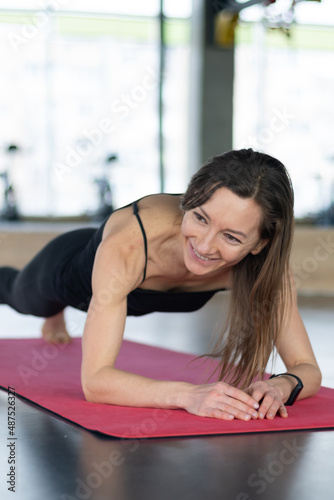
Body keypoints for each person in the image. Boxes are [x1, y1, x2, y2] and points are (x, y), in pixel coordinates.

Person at [0, 149, 321, 421]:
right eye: (200, 218)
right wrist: (189, 395)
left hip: (115, 286)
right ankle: (51, 309)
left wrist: (279, 386)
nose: (205, 246)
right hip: (70, 270)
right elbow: (96, 382)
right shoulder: (129, 245)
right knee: (21, 296)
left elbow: (307, 368)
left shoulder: (268, 271)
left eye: (231, 237)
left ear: (260, 244)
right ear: (189, 199)